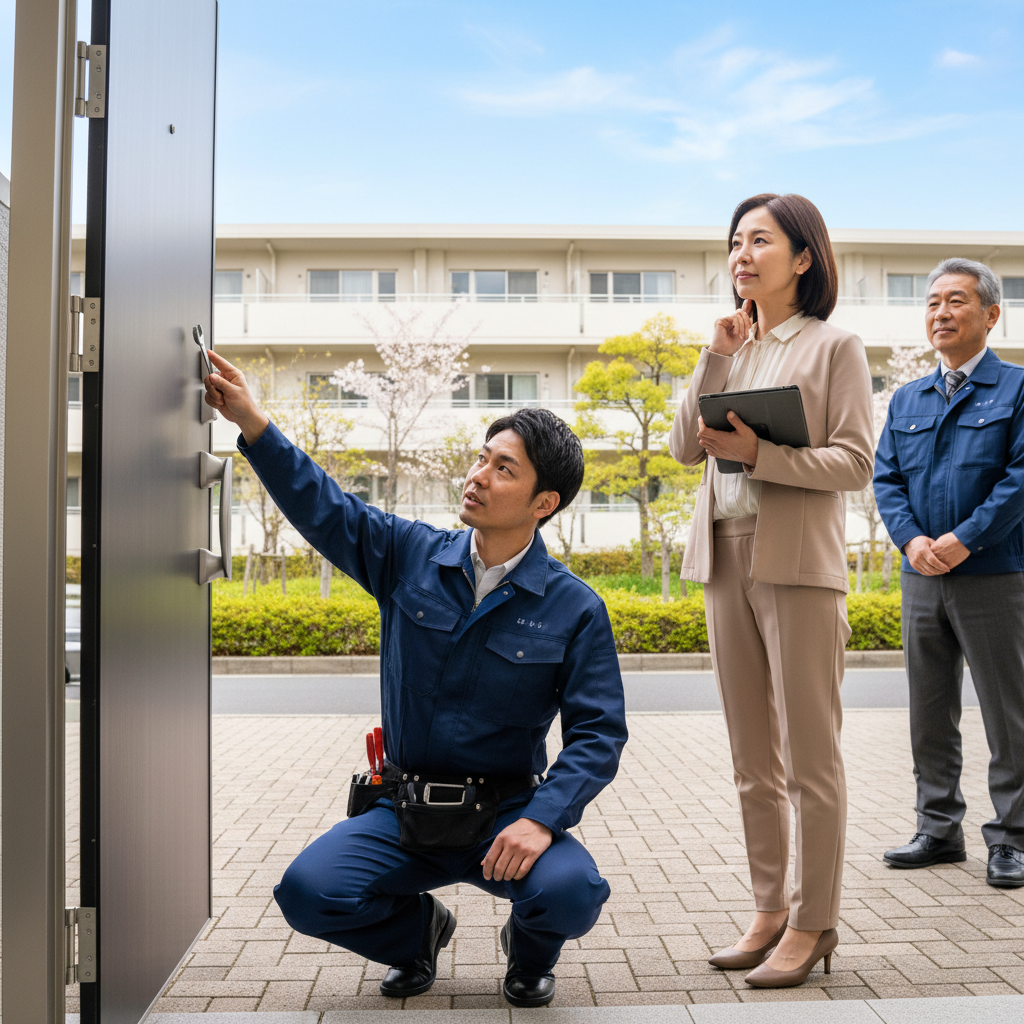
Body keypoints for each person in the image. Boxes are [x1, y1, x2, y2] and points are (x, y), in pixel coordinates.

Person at [202, 353, 627, 1007]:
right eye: (482, 458)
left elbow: (598, 735)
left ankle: (530, 953)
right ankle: (415, 936)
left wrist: (542, 820)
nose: (478, 476)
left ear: (544, 503)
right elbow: (325, 508)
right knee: (308, 892)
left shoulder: (575, 608)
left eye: (503, 468)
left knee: (573, 893)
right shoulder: (409, 555)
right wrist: (253, 423)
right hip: (403, 810)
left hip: (505, 812)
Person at [669, 194, 874, 988]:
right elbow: (685, 447)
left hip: (796, 562)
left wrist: (762, 455)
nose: (742, 255)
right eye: (735, 242)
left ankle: (813, 920)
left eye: (760, 240)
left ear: (804, 257)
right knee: (752, 758)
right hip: (725, 558)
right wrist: (714, 357)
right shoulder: (730, 345)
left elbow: (854, 462)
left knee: (809, 759)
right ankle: (767, 910)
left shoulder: (834, 347)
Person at [873, 258, 1024, 888]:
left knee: (1008, 713)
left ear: (991, 314)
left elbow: (1019, 480)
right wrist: (911, 542)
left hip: (995, 575)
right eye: (933, 302)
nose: (941, 312)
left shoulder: (1017, 389)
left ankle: (1012, 838)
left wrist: (965, 540)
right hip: (921, 577)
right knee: (929, 710)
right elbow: (886, 479)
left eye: (956, 301)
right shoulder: (908, 398)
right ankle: (937, 829)